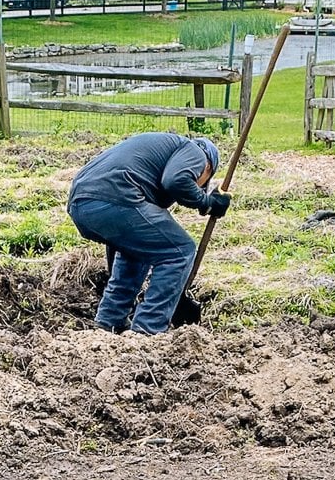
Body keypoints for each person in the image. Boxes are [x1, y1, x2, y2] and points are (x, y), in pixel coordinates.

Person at [67, 132, 231, 335]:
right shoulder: (197, 152)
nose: (199, 186)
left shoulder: (159, 155)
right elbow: (176, 180)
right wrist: (207, 203)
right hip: (116, 196)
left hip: (82, 204)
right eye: (202, 182)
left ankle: (110, 321)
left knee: (139, 251)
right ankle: (148, 329)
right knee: (180, 250)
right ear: (208, 168)